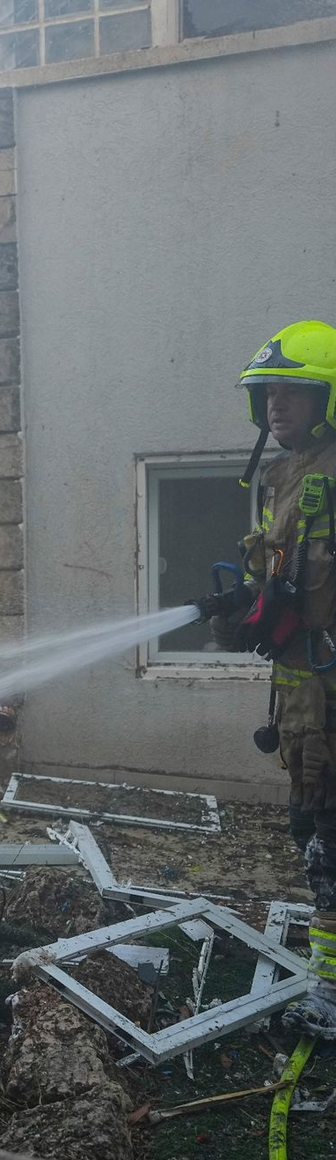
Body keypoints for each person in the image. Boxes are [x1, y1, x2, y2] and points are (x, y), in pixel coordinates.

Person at [214, 320, 336, 1038]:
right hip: (303, 700)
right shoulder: (285, 475)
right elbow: (284, 578)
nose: (276, 405)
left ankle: (330, 1001)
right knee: (314, 835)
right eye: (267, 394)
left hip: (330, 693)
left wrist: (292, 611)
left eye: (292, 391)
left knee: (330, 843)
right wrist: (251, 606)